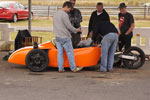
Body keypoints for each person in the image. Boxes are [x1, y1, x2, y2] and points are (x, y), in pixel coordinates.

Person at [53, 1, 83, 73]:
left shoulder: (56, 14)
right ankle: (73, 68)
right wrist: (77, 30)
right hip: (65, 37)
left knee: (60, 53)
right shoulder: (65, 15)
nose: (69, 10)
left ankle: (60, 68)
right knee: (70, 52)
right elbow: (69, 26)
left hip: (57, 36)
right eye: (69, 8)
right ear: (66, 6)